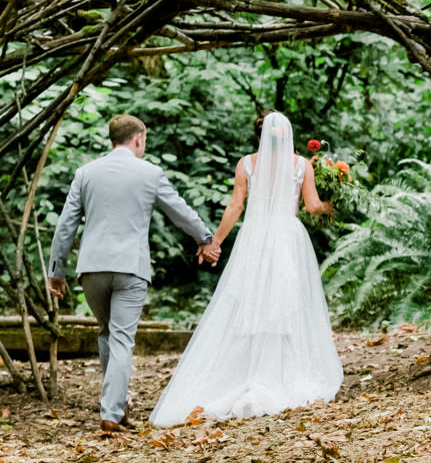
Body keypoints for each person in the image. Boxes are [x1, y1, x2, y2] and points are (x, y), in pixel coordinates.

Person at [149, 111, 344, 427]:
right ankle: (277, 370)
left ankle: (248, 370)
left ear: (261, 136)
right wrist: (330, 204)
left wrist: (216, 242)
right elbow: (312, 207)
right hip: (286, 238)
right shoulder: (302, 165)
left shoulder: (246, 164)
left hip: (254, 236)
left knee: (251, 300)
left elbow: (235, 206)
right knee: (284, 301)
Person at [47, 114, 220, 434]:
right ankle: (112, 414)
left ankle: (119, 404)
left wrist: (57, 270)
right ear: (138, 138)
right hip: (130, 267)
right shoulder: (149, 173)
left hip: (92, 269)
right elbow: (179, 211)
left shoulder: (86, 173)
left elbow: (66, 224)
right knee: (122, 339)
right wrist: (206, 239)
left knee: (107, 334)